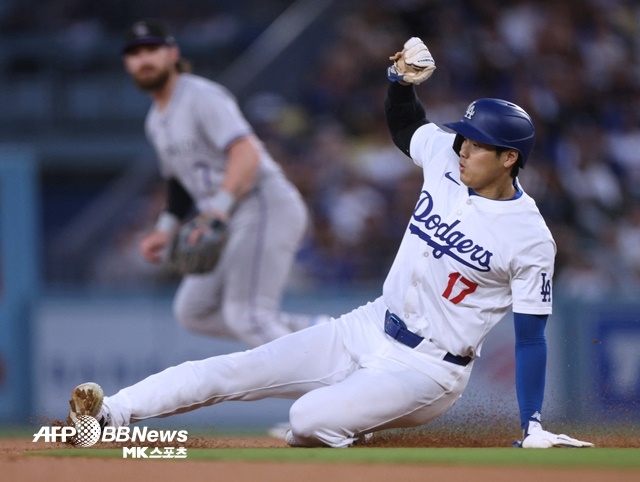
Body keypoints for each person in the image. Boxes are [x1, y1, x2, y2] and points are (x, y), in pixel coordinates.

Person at [68, 37, 592, 449]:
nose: (463, 147)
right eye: (464, 137)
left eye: (479, 145)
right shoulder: (447, 160)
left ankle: (350, 427)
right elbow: (407, 126)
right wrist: (399, 82)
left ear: (508, 159)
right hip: (366, 325)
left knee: (306, 419)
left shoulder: (530, 238)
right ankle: (108, 414)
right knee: (233, 369)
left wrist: (534, 425)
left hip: (429, 370)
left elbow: (530, 339)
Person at [122, 19, 327, 347]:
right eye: (135, 53)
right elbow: (178, 184)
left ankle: (332, 386)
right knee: (193, 311)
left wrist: (217, 210)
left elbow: (246, 154)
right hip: (224, 218)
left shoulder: (201, 96)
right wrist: (164, 229)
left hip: (261, 203)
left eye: (152, 50)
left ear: (173, 54)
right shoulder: (155, 122)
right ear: (127, 63)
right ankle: (320, 334)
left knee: (247, 316)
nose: (144, 59)